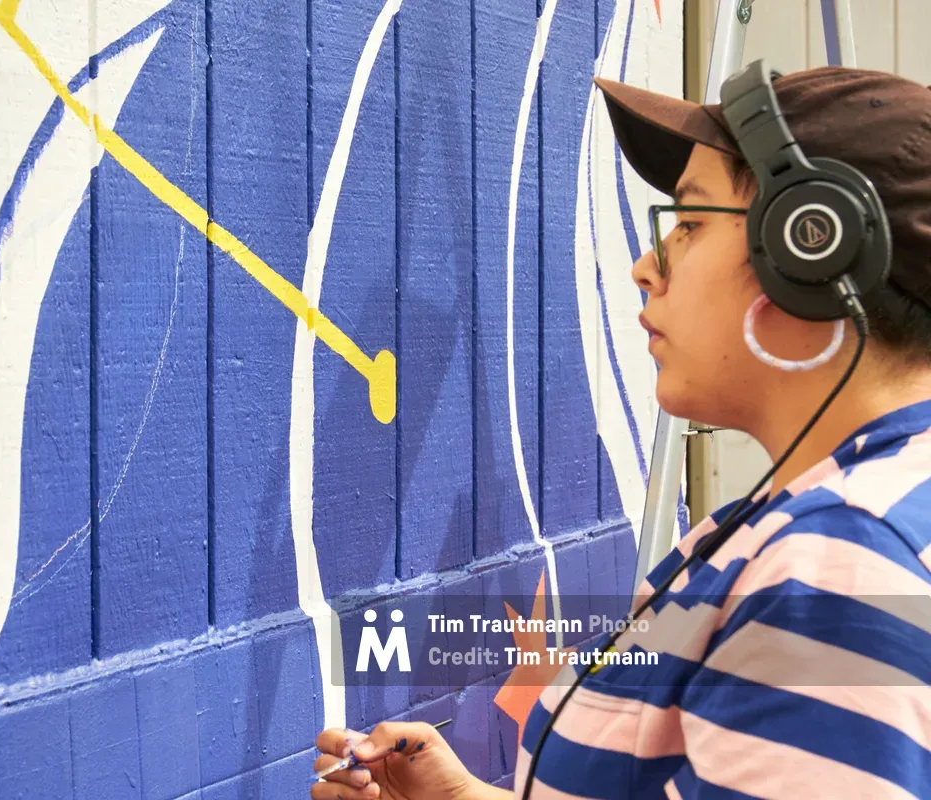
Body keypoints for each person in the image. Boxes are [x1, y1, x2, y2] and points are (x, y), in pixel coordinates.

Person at [311, 63, 931, 799]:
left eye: (692, 223)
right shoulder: (854, 514)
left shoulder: (835, 573)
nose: (646, 266)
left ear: (809, 250)